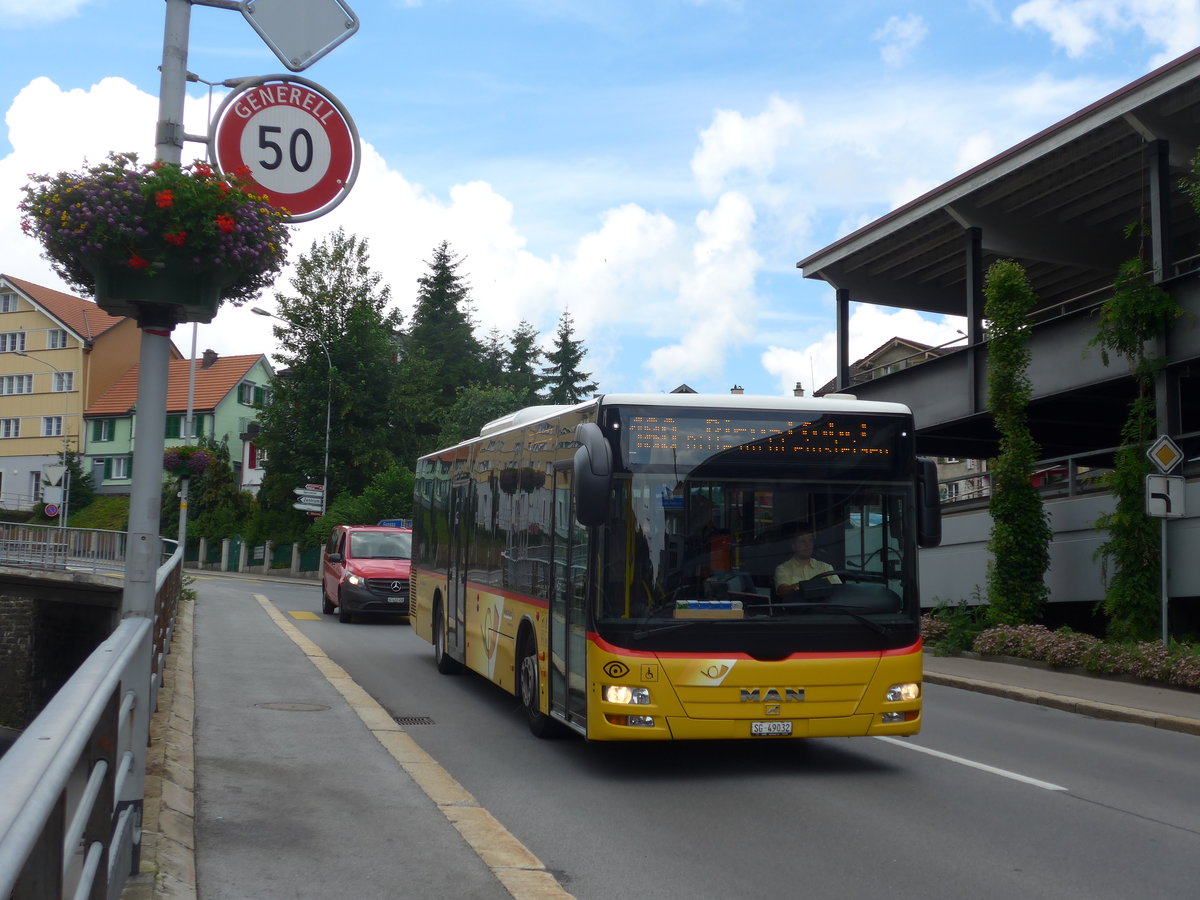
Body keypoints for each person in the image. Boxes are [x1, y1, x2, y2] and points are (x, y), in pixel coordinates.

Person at [774, 523, 840, 597]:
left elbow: (839, 590)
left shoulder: (826, 568)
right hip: (797, 608)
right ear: (794, 546)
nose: (807, 545)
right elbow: (782, 590)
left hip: (823, 607)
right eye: (802, 541)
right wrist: (798, 587)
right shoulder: (783, 569)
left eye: (810, 541)